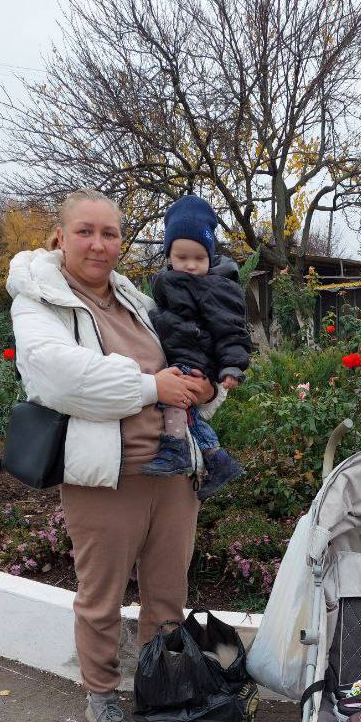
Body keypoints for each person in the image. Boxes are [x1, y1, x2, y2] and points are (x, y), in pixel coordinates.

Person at [7, 190, 218, 722]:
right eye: (86, 231)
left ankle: (157, 689)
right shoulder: (40, 302)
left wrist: (205, 386)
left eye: (111, 233)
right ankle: (101, 692)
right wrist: (153, 385)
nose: (99, 245)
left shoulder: (134, 300)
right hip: (107, 477)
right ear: (60, 236)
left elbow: (185, 362)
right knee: (100, 596)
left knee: (167, 593)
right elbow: (62, 379)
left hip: (172, 473)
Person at [146, 194, 250, 499]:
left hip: (199, 355)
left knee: (174, 400)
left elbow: (231, 327)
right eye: (182, 258)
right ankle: (218, 459)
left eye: (199, 258)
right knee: (188, 411)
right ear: (168, 256)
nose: (191, 265)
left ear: (211, 257)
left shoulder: (217, 286)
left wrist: (232, 365)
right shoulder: (167, 282)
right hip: (183, 350)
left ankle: (177, 449)